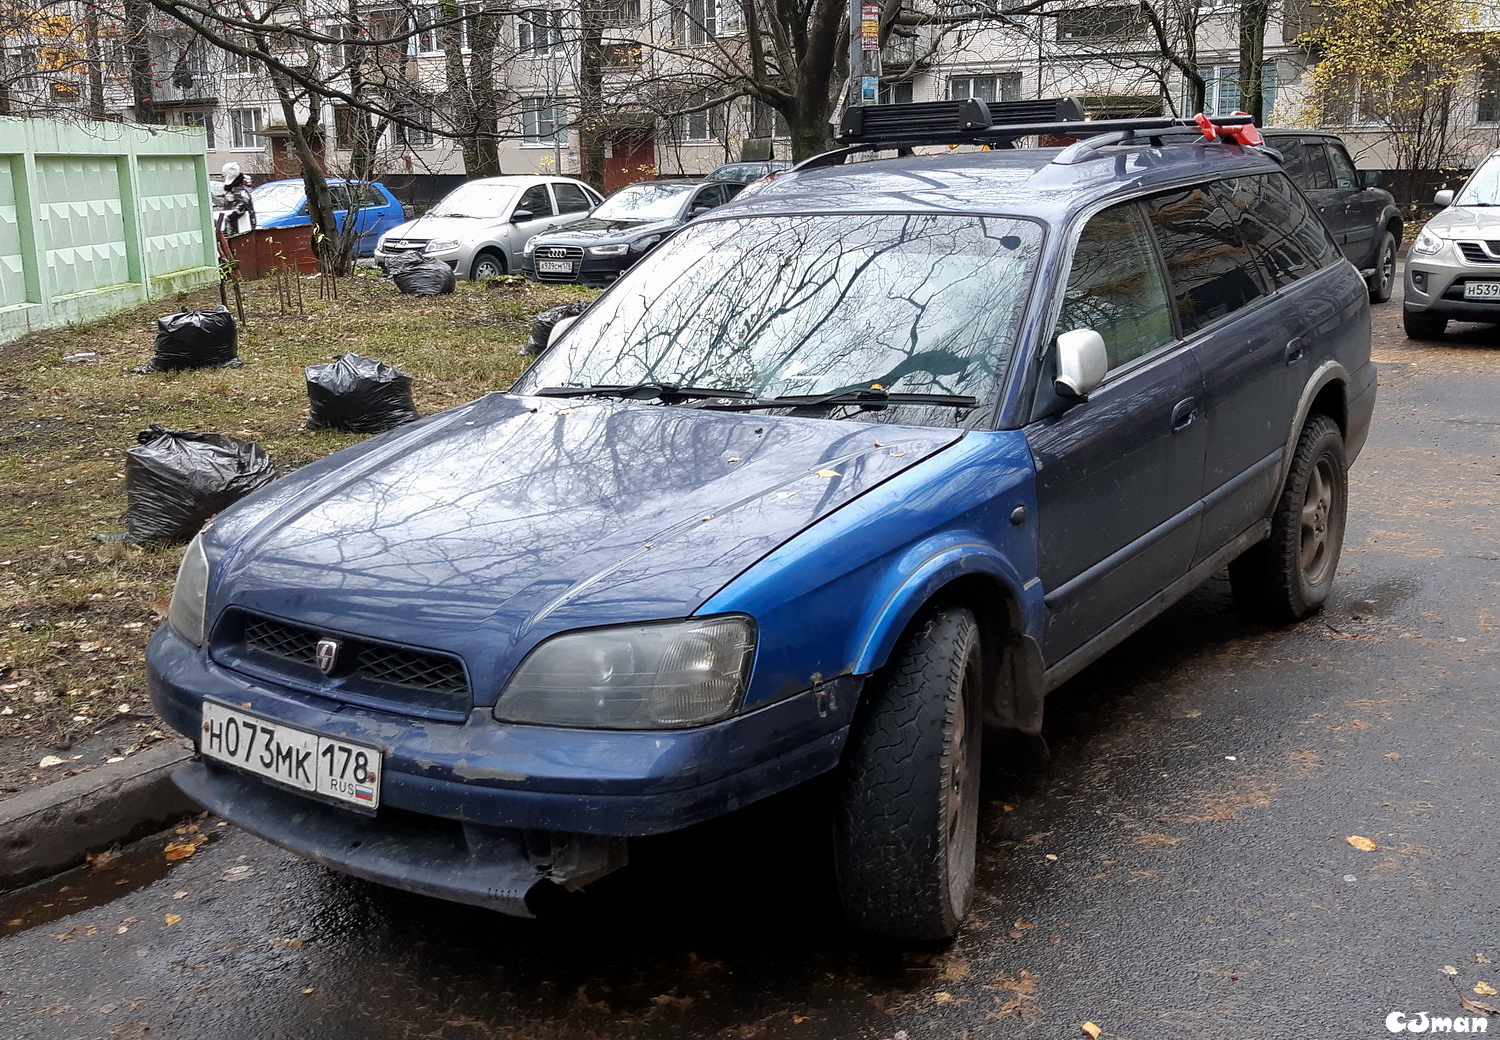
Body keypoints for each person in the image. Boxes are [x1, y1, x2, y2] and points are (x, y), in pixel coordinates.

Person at [219, 162, 256, 236]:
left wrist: (229, 217)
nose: (223, 176)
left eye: (225, 173)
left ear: (230, 174)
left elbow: (242, 205)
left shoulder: (239, 190)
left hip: (242, 230)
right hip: (237, 229)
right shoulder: (232, 190)